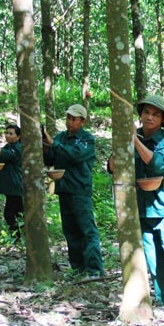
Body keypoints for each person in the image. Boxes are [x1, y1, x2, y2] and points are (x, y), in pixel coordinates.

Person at [108, 95, 164, 313]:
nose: (149, 117)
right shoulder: (132, 137)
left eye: (155, 114)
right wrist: (121, 143)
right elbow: (112, 167)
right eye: (146, 112)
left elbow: (158, 164)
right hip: (141, 207)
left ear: (162, 119)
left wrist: (134, 141)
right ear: (140, 115)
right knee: (153, 258)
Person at [42, 104, 104, 278]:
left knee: (87, 230)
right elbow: (50, 158)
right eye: (68, 118)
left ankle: (94, 269)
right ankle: (78, 268)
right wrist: (46, 147)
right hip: (64, 188)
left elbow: (75, 155)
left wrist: (54, 144)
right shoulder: (61, 136)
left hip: (80, 189)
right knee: (70, 230)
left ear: (82, 121)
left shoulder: (86, 139)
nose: (70, 122)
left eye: (74, 119)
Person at [0, 124, 24, 238]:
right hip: (9, 187)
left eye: (11, 133)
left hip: (16, 186)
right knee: (13, 214)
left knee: (13, 214)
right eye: (6, 133)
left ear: (18, 136)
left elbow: (3, 154)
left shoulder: (18, 148)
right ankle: (17, 237)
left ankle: (19, 237)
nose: (7, 135)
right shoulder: (7, 147)